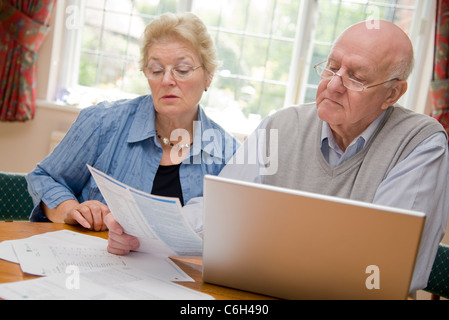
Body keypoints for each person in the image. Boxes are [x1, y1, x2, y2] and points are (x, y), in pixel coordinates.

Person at [106, 20, 449, 295]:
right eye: (330, 67)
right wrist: (145, 230)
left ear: (392, 92)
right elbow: (219, 211)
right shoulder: (282, 124)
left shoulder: (421, 143)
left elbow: (384, 266)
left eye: (356, 77)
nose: (333, 85)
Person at [26, 12, 238, 232]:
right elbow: (44, 177)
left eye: (182, 70)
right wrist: (72, 210)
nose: (166, 80)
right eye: (156, 70)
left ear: (208, 75)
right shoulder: (102, 122)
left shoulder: (229, 156)